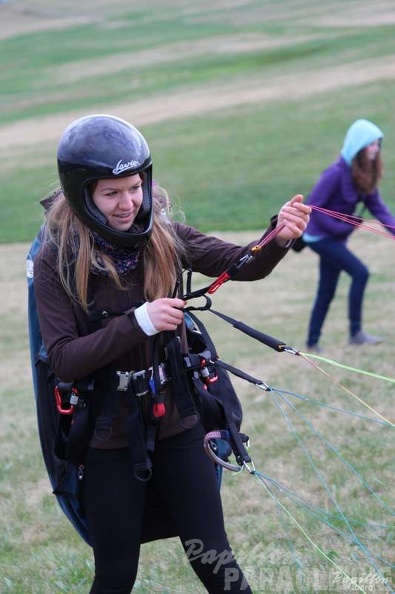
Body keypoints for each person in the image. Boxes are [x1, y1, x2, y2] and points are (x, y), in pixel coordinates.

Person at [33, 113, 310, 594]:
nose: (128, 203)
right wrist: (138, 321)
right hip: (108, 437)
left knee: (215, 561)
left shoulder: (162, 235)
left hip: (178, 422)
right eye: (111, 193)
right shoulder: (57, 258)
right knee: (116, 574)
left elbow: (239, 264)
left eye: (134, 187)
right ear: (83, 194)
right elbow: (64, 359)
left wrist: (278, 238)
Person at [303, 118, 395, 352]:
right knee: (360, 272)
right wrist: (340, 228)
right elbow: (313, 207)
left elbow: (379, 209)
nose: (376, 149)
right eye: (371, 144)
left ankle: (312, 342)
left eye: (377, 144)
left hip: (335, 239)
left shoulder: (363, 174)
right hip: (319, 238)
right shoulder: (335, 173)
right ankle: (356, 333)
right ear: (358, 146)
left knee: (327, 289)